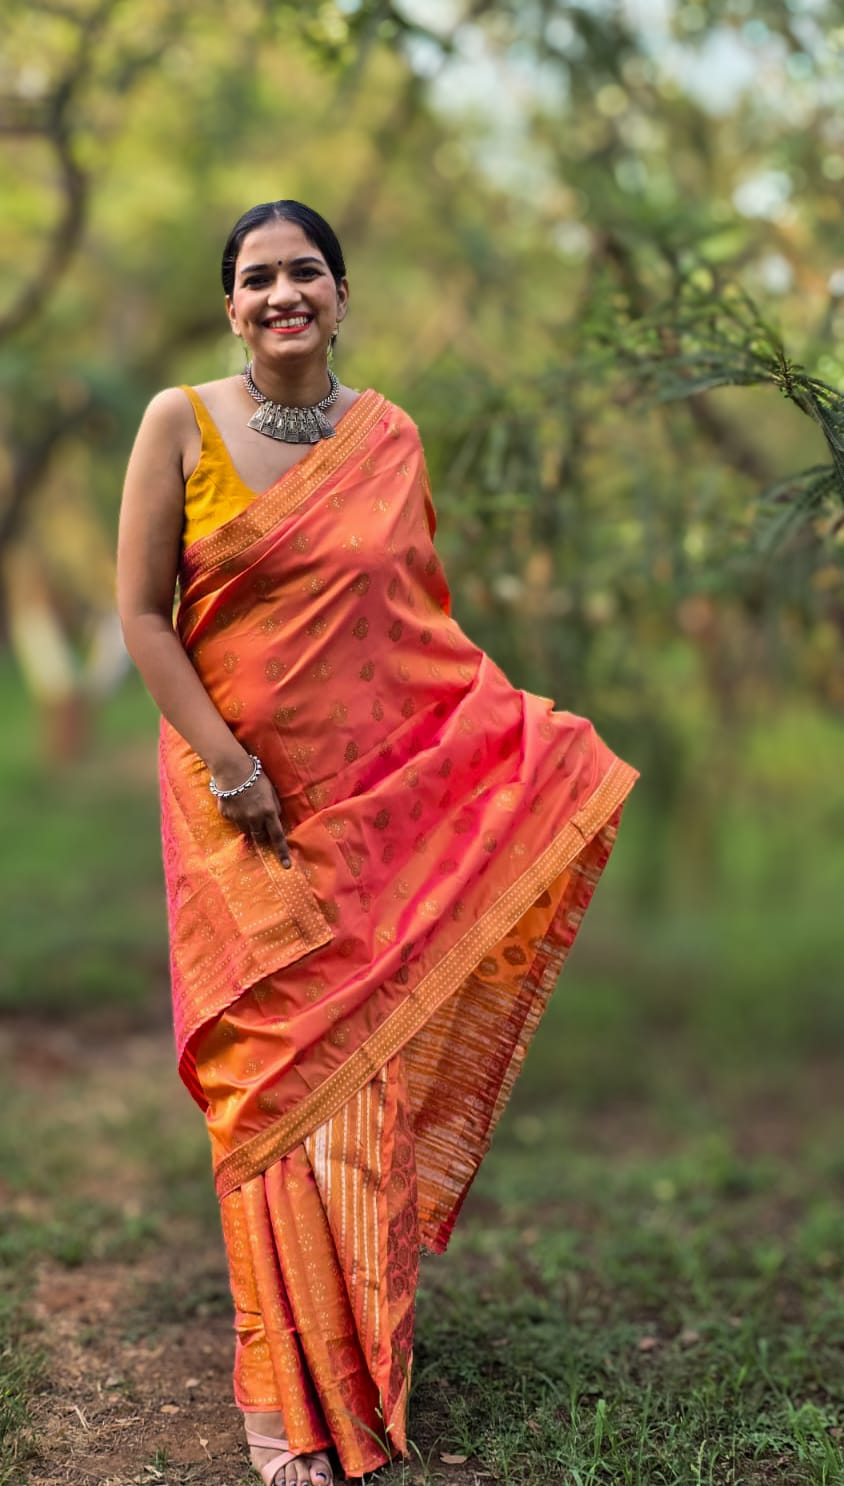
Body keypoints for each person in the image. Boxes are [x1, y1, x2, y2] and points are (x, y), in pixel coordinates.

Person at [116, 200, 640, 1486]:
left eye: (305, 272)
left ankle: (357, 1371)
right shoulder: (176, 423)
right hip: (231, 806)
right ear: (229, 306)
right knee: (262, 1098)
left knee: (365, 1094)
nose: (282, 293)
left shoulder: (387, 436)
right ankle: (271, 1396)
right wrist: (234, 768)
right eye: (257, 278)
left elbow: (413, 634)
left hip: (368, 817)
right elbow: (140, 616)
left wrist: (516, 744)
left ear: (340, 295)